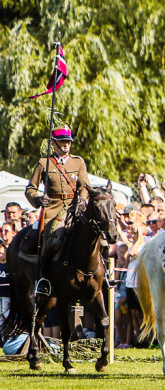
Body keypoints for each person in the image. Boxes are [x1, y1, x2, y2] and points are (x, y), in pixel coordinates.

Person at [24, 126, 90, 297]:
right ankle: (44, 280)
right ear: (54, 143)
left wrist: (82, 199)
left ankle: (100, 275)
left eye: (68, 141)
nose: (66, 144)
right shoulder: (43, 163)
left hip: (74, 209)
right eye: (62, 141)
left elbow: (85, 186)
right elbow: (30, 189)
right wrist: (38, 200)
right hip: (52, 210)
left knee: (94, 234)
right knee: (48, 242)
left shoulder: (78, 162)